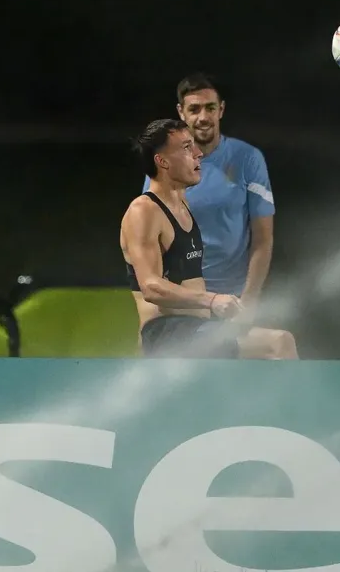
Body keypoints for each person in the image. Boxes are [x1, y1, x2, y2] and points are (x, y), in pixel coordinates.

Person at [122, 119, 298, 359]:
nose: (198, 154)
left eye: (194, 145)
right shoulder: (144, 210)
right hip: (167, 334)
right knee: (278, 344)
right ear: (162, 161)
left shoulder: (182, 206)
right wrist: (213, 300)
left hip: (196, 329)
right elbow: (151, 287)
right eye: (186, 148)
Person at [142, 73, 275, 308]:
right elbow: (148, 234)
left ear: (221, 110)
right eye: (194, 110)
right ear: (181, 112)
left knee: (278, 343)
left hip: (234, 299)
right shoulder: (164, 162)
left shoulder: (248, 159)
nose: (203, 117)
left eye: (210, 108)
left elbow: (263, 239)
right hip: (184, 299)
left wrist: (249, 302)